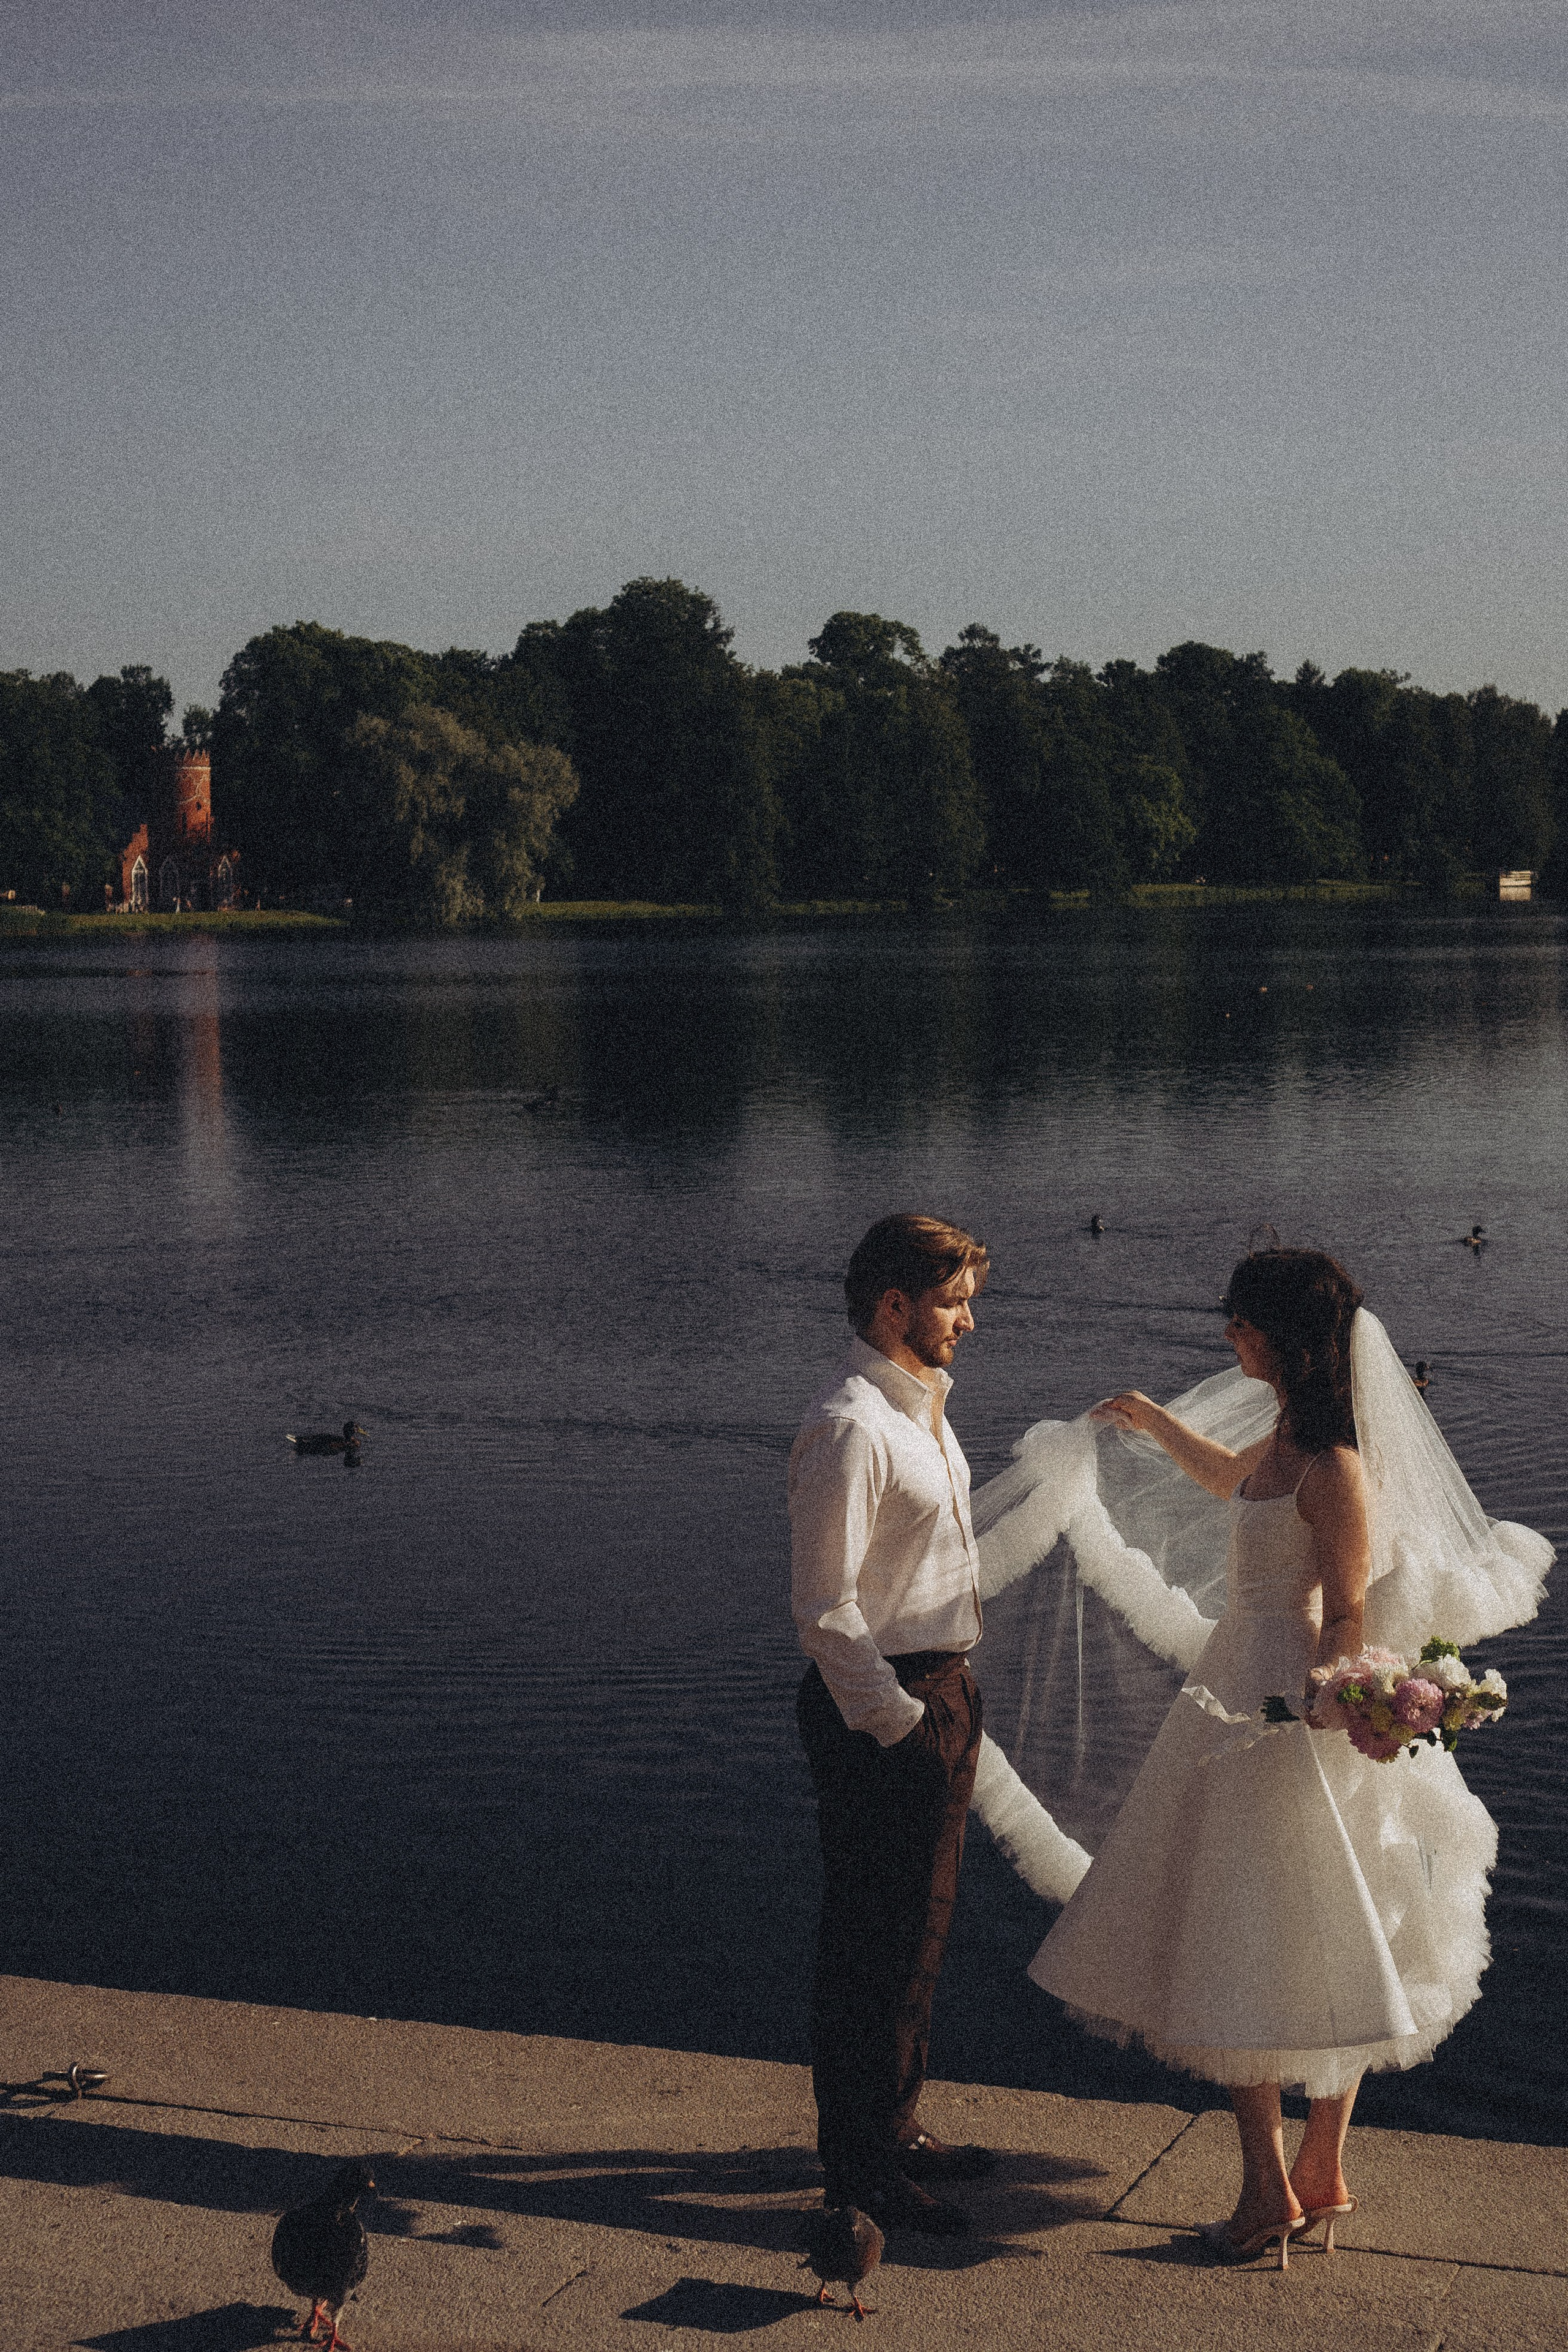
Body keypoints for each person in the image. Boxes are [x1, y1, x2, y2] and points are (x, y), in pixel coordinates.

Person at [1018, 1246, 1548, 2267]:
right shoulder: (1286, 1440)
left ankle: (1272, 2191)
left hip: (1280, 1705)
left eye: (1243, 1324)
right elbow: (1229, 1481)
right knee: (1296, 1929)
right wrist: (1150, 1416)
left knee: (1260, 1936)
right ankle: (1315, 2175)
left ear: (1290, 1341)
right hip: (1240, 1684)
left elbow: (1346, 1604)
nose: (1230, 1337)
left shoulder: (1338, 1467)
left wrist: (1324, 1707)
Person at [790, 1212, 993, 2235]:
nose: (967, 1318)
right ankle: (858, 2171)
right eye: (952, 1300)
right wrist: (901, 1726)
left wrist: (945, 1707)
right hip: (883, 1706)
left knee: (923, 1928)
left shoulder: (924, 1411)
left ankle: (896, 2125)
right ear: (893, 1305)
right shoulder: (851, 1426)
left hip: (942, 1689)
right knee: (870, 1942)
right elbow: (825, 1610)